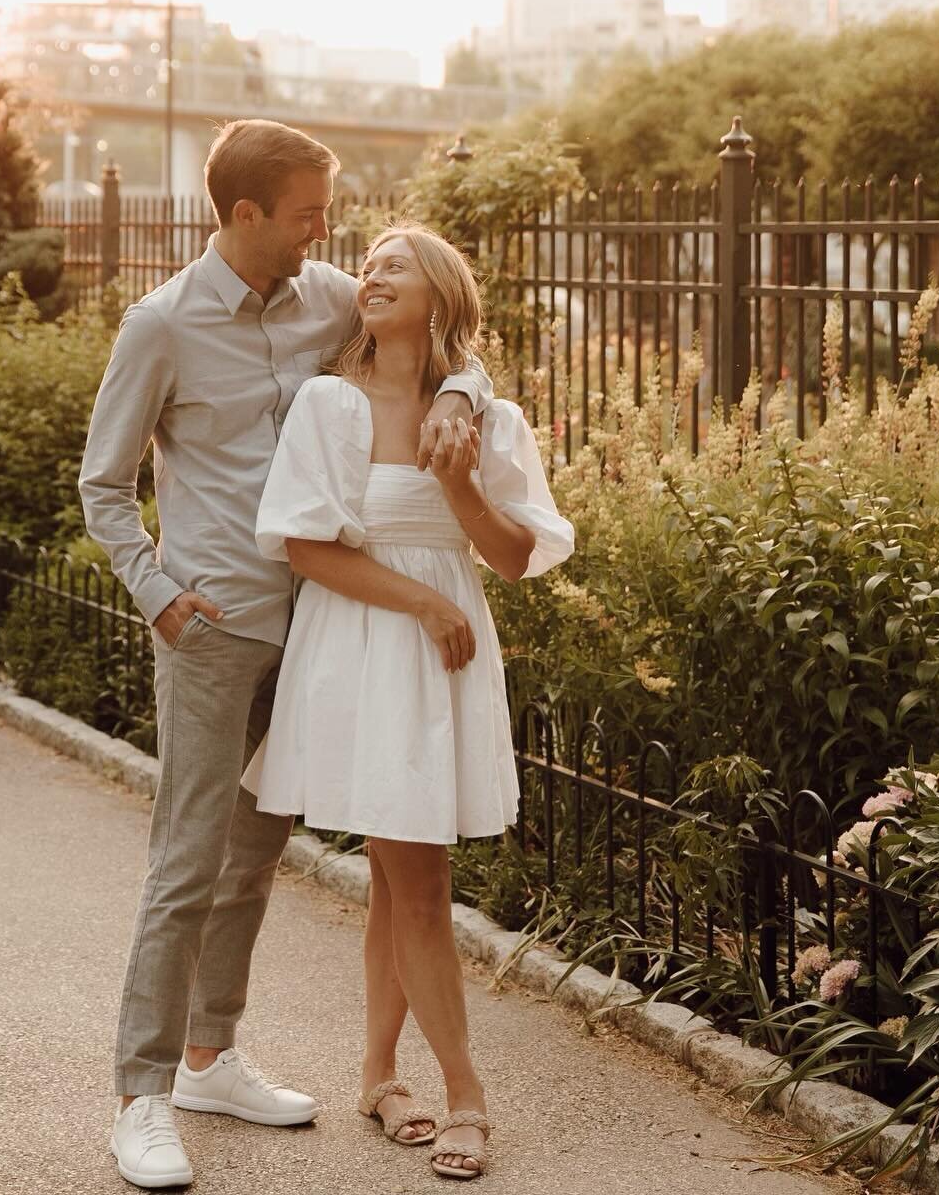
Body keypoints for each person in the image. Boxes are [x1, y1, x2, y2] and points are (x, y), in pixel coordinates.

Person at [79, 121, 492, 1191]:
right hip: (216, 629)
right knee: (187, 863)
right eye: (309, 211)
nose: (327, 230)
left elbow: (444, 329)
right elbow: (102, 482)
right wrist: (159, 593)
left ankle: (211, 1057)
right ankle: (142, 1095)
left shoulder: (323, 300)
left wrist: (460, 395)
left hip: (319, 629)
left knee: (258, 858)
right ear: (246, 213)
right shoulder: (161, 325)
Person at [241, 223, 574, 1181]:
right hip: (368, 647)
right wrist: (423, 599)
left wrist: (460, 481)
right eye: (369, 264)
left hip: (446, 658)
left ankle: (380, 1075)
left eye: (398, 263)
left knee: (400, 877)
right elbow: (306, 548)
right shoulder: (328, 404)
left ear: (442, 292)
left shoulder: (484, 417)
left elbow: (514, 558)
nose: (374, 273)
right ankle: (466, 1094)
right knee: (418, 879)